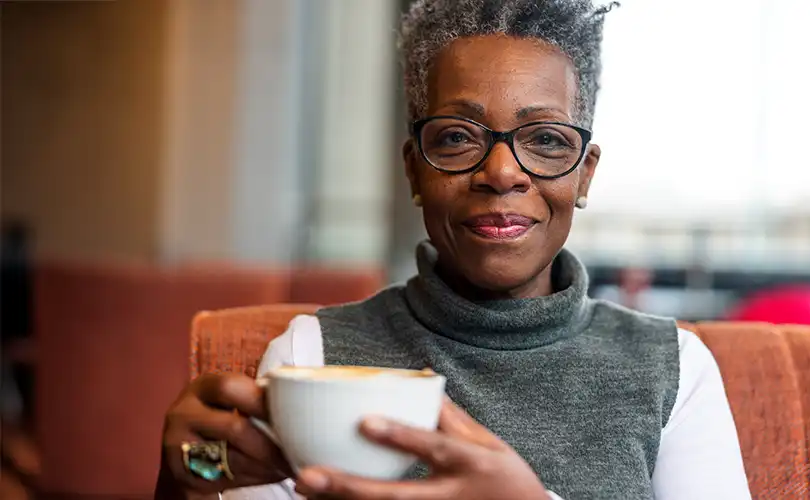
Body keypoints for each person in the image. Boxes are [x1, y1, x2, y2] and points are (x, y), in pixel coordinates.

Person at [156, 0, 751, 498]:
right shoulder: (312, 355)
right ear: (415, 171)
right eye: (457, 137)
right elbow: (215, 472)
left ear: (584, 176)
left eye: (545, 139)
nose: (501, 172)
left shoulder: (672, 367)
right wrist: (185, 482)